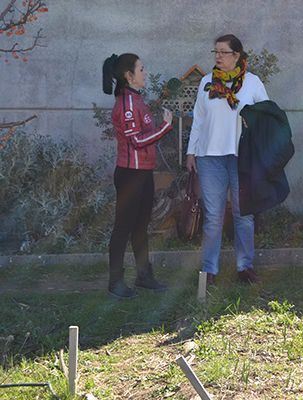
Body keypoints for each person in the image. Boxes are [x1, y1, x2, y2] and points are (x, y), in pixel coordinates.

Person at [186, 34, 268, 285]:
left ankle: (245, 267)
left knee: (244, 213)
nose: (218, 57)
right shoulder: (206, 83)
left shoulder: (252, 83)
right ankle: (210, 269)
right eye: (216, 52)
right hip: (209, 156)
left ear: (237, 56)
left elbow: (266, 118)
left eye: (223, 52)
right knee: (213, 215)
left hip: (241, 157)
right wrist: (191, 151)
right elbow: (198, 119)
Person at [103, 53, 173, 298]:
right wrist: (165, 127)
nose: (145, 72)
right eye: (141, 69)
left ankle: (144, 276)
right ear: (128, 75)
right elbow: (136, 141)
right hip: (130, 174)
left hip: (142, 173)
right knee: (123, 228)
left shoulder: (137, 99)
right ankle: (116, 282)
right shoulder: (127, 105)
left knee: (141, 226)